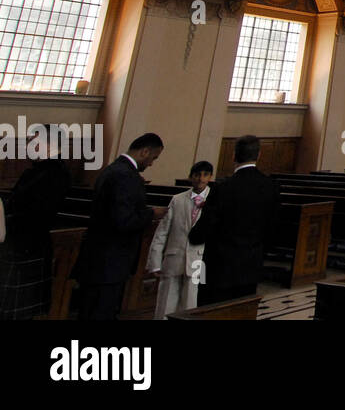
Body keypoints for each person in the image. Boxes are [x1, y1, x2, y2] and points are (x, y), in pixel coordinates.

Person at [73, 133, 163, 320]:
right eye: (153, 158)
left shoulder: (112, 169)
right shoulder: (126, 176)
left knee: (90, 311)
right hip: (110, 261)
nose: (151, 164)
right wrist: (151, 214)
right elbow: (123, 220)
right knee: (101, 312)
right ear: (144, 151)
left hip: (98, 259)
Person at [189, 135, 278, 305]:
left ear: (233, 156)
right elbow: (272, 227)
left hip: (219, 266)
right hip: (251, 264)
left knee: (211, 312)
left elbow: (204, 228)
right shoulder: (270, 186)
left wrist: (194, 237)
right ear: (258, 156)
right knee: (242, 311)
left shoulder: (223, 188)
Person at [0, 124, 72, 320]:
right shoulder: (36, 171)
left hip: (27, 247)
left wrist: (6, 220)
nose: (28, 144)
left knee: (16, 312)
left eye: (33, 140)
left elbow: (38, 214)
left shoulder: (56, 173)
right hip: (17, 245)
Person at [146, 161, 212, 318]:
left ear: (210, 177)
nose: (201, 179)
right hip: (174, 256)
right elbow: (162, 232)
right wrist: (155, 262)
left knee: (191, 301)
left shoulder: (214, 200)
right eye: (197, 175)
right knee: (166, 300)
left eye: (205, 175)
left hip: (199, 260)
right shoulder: (177, 199)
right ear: (190, 177)